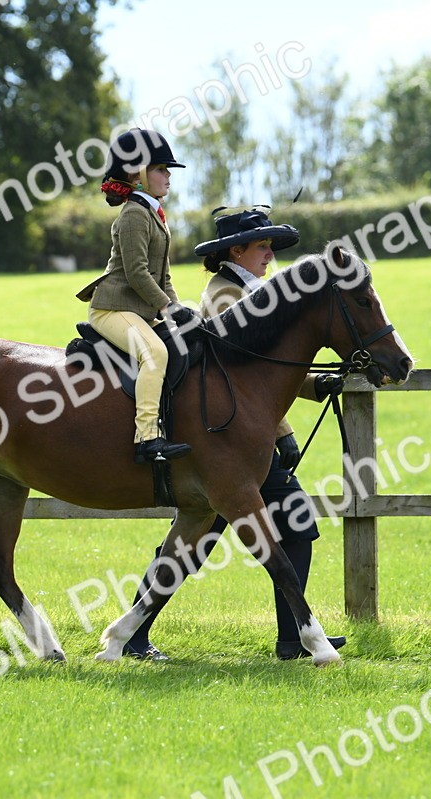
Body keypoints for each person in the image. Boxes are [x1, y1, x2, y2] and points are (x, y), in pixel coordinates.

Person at [122, 205, 345, 661]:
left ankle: (136, 635)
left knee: (195, 541)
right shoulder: (226, 297)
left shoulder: (251, 290)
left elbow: (266, 370)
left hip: (236, 438)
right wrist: (282, 432)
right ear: (235, 251)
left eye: (270, 247)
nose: (269, 254)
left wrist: (312, 384)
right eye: (262, 246)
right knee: (276, 529)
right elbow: (243, 374)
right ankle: (294, 638)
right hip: (232, 440)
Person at [76, 128, 199, 464]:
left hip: (139, 309)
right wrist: (167, 307)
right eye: (161, 169)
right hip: (112, 309)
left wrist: (179, 311)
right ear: (137, 174)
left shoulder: (154, 213)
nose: (168, 175)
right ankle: (146, 439)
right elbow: (137, 273)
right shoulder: (132, 214)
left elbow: (164, 275)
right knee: (155, 353)